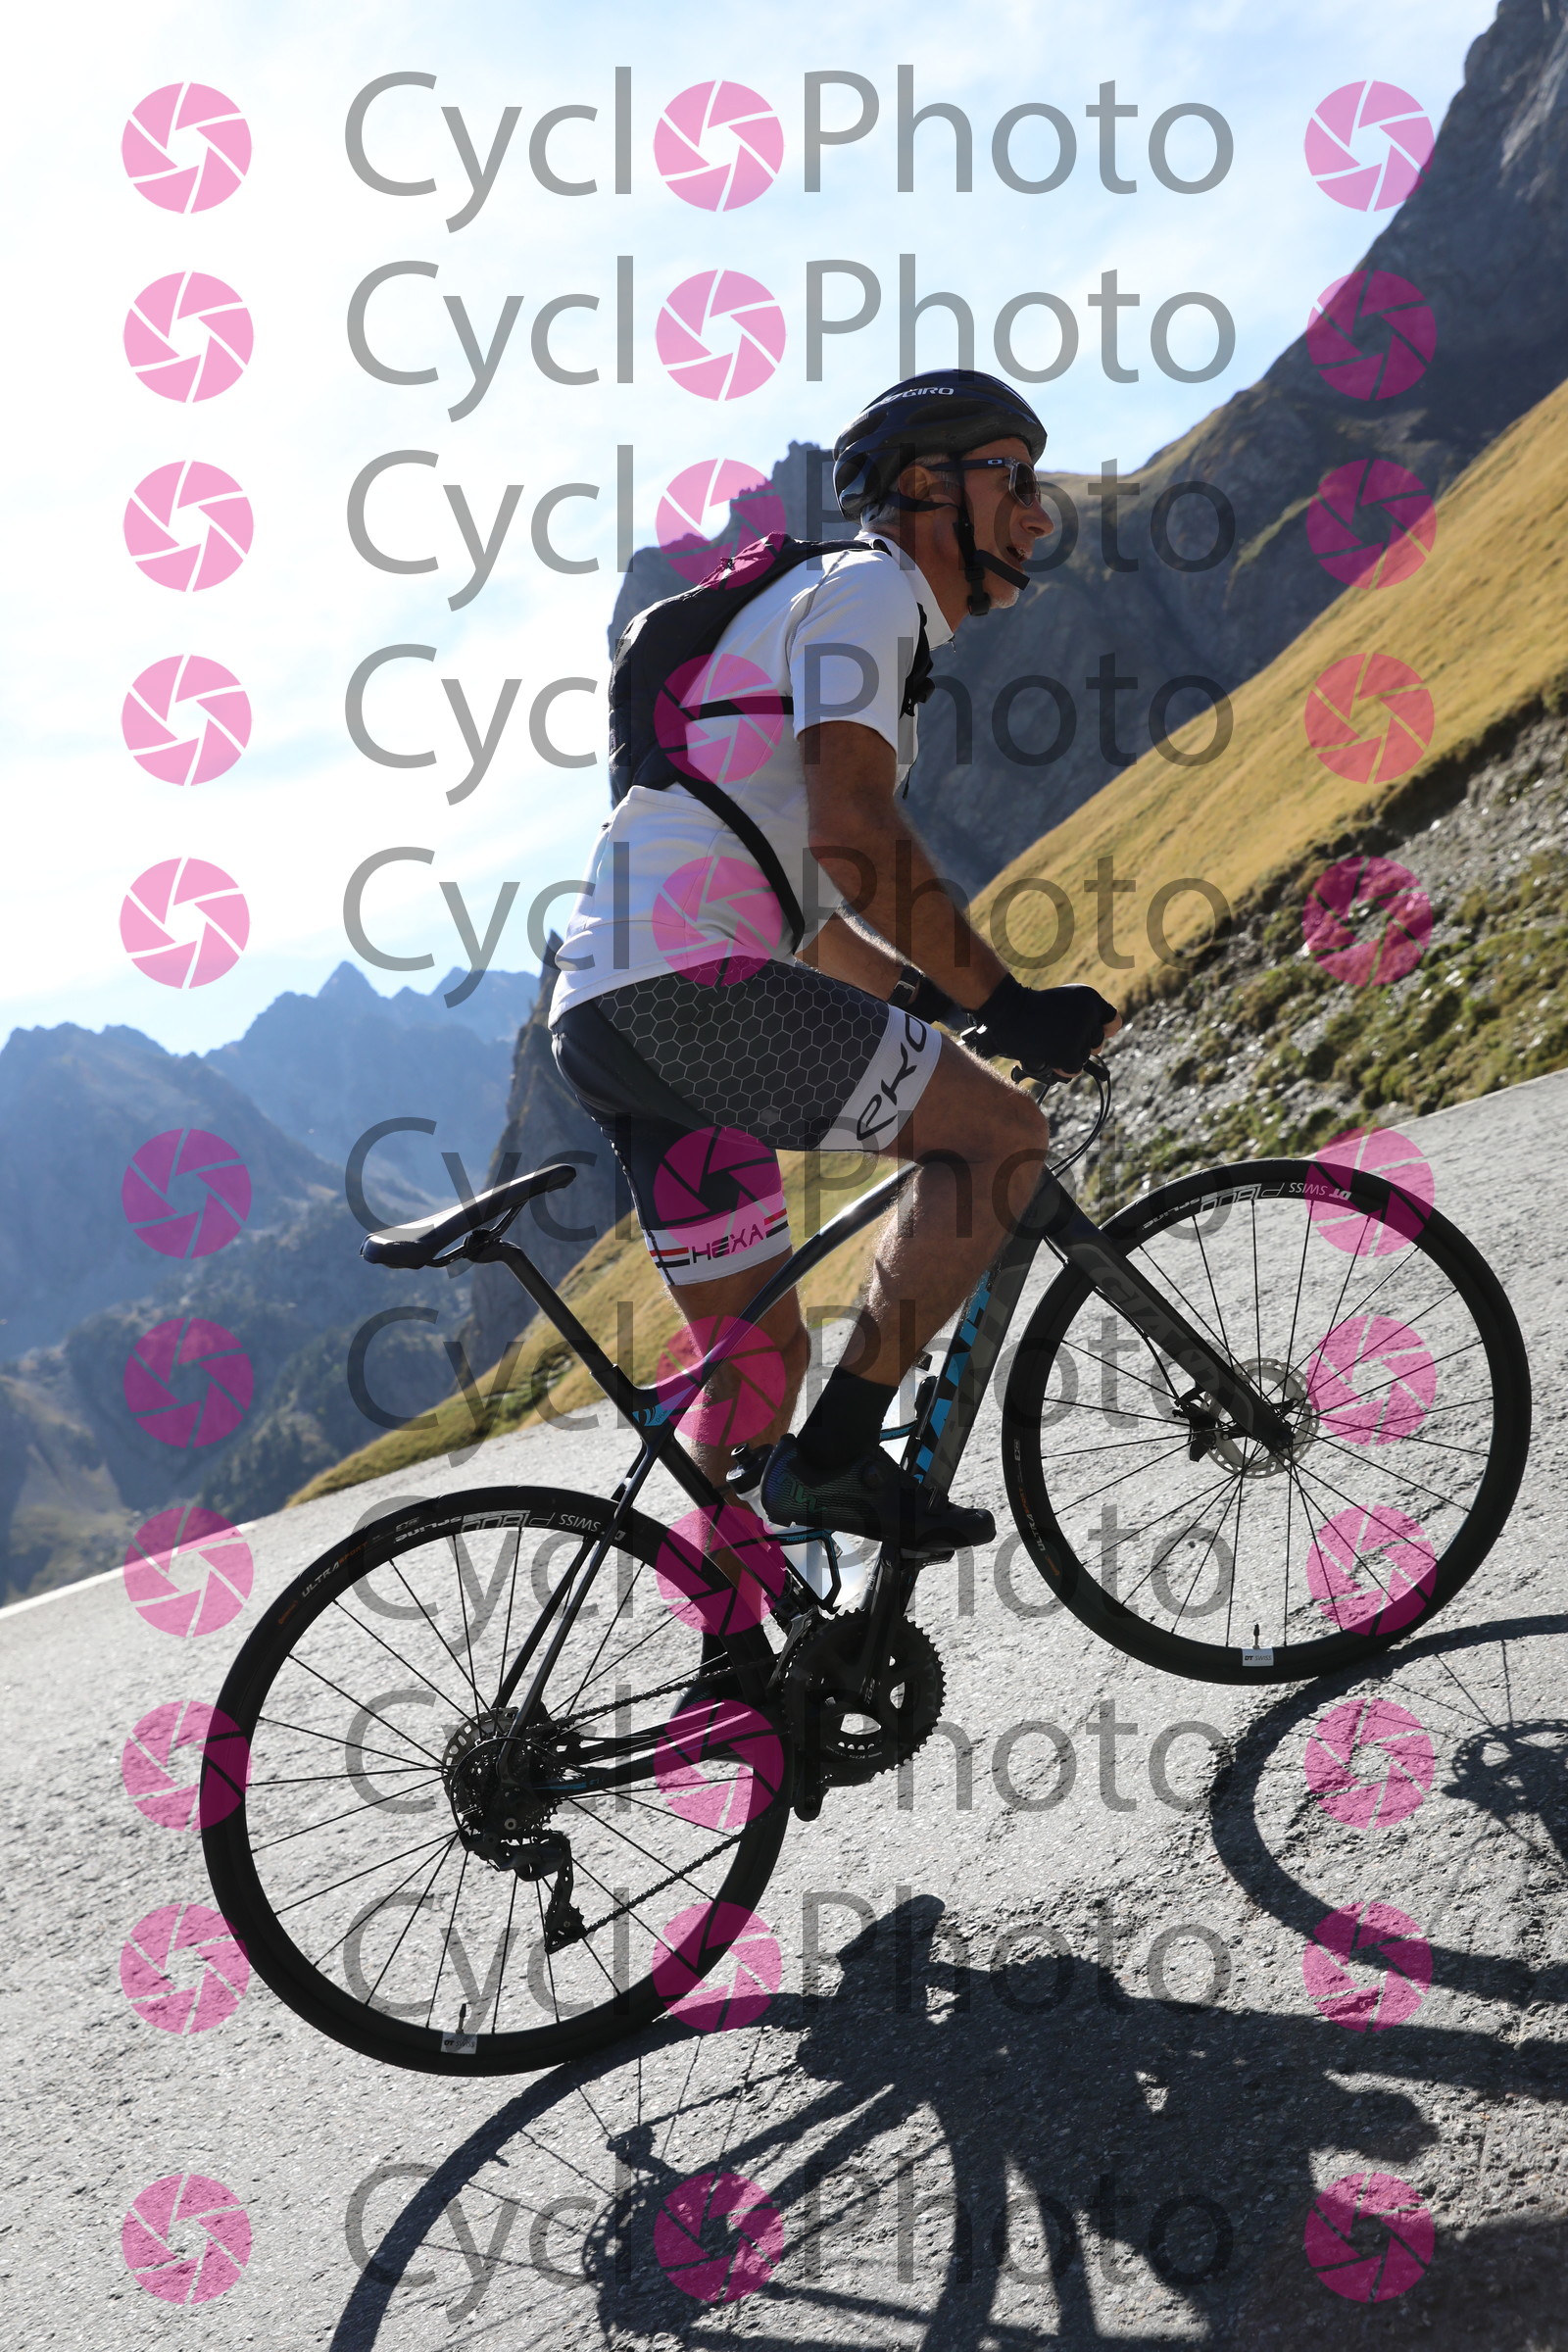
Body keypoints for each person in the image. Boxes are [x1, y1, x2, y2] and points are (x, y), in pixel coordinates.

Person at [551, 368, 1119, 1557]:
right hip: (687, 992)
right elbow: (853, 833)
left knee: (753, 1368)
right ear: (925, 487)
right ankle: (842, 1456)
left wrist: (926, 999)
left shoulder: (812, 608)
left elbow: (802, 918)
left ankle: (734, 1644)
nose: (1036, 512)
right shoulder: (871, 590)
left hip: (609, 1007)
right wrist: (1006, 1002)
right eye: (1012, 476)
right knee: (998, 1137)